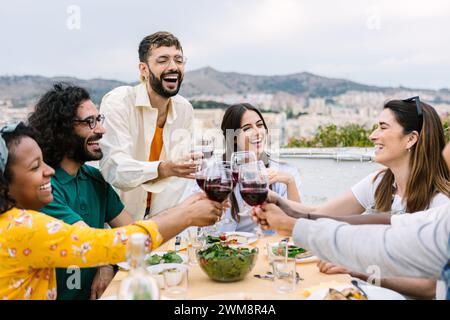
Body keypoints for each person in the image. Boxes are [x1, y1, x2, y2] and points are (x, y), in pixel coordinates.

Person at [27, 83, 223, 299]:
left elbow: (133, 232)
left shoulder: (94, 179)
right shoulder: (43, 190)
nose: (101, 129)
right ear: (61, 130)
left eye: (99, 120)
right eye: (89, 122)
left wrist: (106, 264)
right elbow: (94, 245)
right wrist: (186, 214)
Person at [264, 98, 450, 299]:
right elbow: (321, 214)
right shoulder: (381, 182)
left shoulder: (441, 201)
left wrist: (356, 268)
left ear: (411, 139)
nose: (372, 136)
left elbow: (429, 287)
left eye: (383, 128)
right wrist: (276, 200)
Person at [99, 31, 197, 220]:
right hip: (118, 223)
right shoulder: (119, 102)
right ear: (144, 69)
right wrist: (163, 168)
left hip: (162, 224)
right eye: (163, 60)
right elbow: (115, 169)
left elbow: (177, 181)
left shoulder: (185, 110)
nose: (173, 67)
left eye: (178, 60)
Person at [185, 103, 302, 234]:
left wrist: (290, 181)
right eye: (247, 128)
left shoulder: (284, 171)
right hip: (224, 248)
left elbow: (295, 224)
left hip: (266, 248)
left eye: (259, 125)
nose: (257, 133)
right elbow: (198, 223)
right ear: (233, 138)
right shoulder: (214, 173)